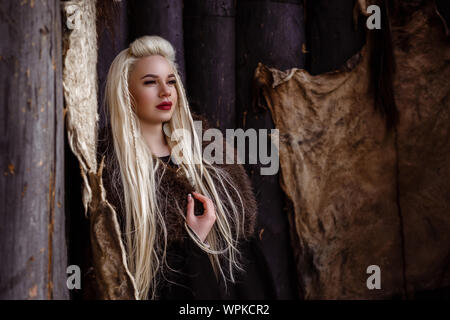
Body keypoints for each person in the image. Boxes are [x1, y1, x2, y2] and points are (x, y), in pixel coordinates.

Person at [96, 35, 276, 300]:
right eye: (150, 82)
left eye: (170, 81)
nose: (165, 91)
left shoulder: (211, 154)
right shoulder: (115, 174)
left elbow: (247, 263)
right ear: (126, 93)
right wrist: (196, 242)